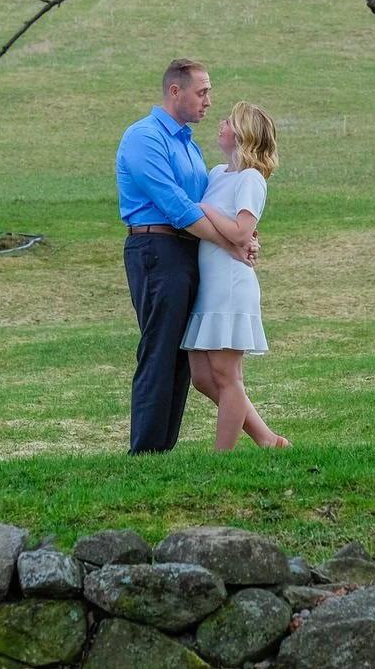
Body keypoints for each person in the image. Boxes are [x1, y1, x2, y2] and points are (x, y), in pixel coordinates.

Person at [116, 59, 251, 453]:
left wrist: (243, 235)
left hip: (188, 249)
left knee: (180, 353)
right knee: (160, 348)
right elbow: (177, 207)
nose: (208, 101)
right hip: (155, 249)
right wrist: (232, 244)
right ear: (176, 92)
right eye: (202, 91)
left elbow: (208, 205)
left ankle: (163, 450)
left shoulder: (187, 144)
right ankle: (144, 451)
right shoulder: (144, 137)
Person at [182, 102, 290, 450]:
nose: (221, 123)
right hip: (209, 286)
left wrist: (203, 208)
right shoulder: (216, 174)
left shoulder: (252, 179)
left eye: (229, 121)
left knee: (228, 377)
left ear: (242, 136)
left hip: (231, 285)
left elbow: (243, 232)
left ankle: (222, 457)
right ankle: (267, 439)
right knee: (201, 376)